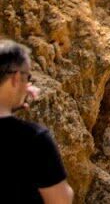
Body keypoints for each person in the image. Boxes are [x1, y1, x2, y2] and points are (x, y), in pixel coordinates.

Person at [0, 40, 73, 203]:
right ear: (16, 78)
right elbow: (61, 200)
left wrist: (12, 101)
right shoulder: (33, 139)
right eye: (28, 77)